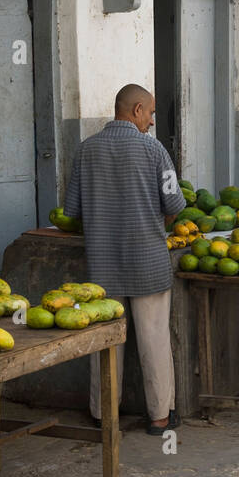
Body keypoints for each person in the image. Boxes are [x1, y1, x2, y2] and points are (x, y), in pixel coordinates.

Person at [65, 84, 187, 434]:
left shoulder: (86, 150)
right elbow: (174, 205)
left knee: (104, 342)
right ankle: (160, 418)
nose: (151, 121)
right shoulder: (154, 150)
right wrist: (153, 223)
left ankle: (104, 416)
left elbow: (72, 211)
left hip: (102, 266)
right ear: (135, 111)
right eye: (149, 113)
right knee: (154, 340)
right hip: (148, 262)